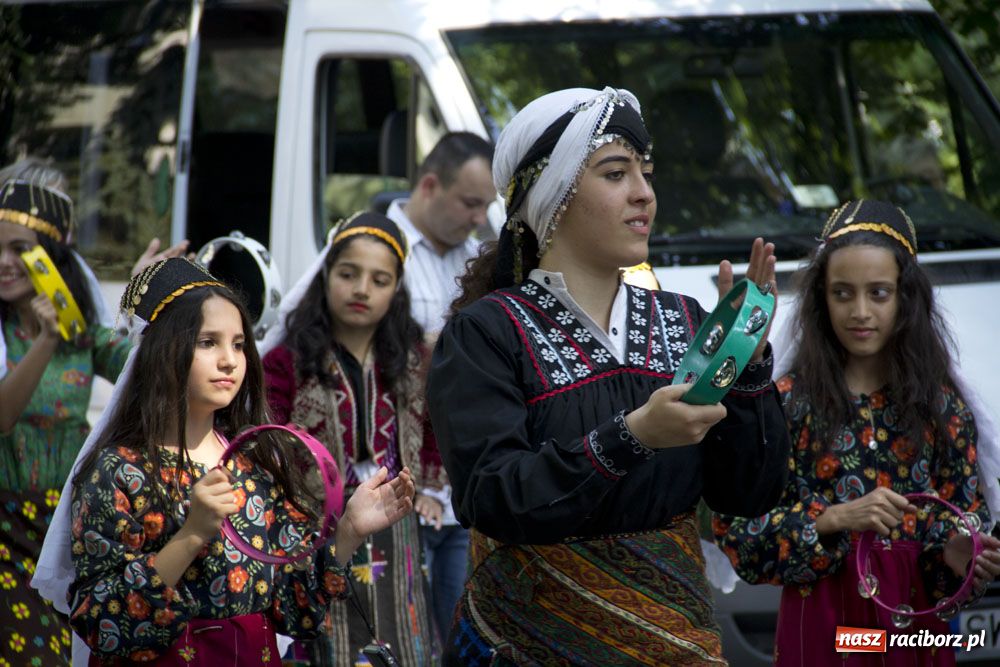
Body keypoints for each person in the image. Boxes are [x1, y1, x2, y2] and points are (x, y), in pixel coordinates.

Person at [425, 86, 792, 665]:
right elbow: (491, 493)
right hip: (531, 647)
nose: (644, 193)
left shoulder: (686, 321)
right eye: (616, 173)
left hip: (677, 643)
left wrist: (744, 367)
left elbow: (749, 492)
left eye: (646, 173)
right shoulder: (486, 334)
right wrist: (632, 436)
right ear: (556, 194)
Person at [31, 257, 416, 665]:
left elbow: (292, 605)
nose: (229, 360)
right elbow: (104, 623)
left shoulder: (255, 463)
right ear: (164, 351)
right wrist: (192, 534)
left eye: (238, 344)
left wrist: (349, 533)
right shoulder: (119, 471)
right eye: (207, 342)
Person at [713, 200, 1000, 666]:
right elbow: (742, 534)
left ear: (906, 297)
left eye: (879, 293)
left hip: (913, 642)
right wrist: (835, 519)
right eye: (842, 293)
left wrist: (959, 555)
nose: (860, 311)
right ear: (821, 299)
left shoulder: (941, 409)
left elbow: (956, 532)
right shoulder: (788, 405)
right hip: (824, 632)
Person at [0, 158, 186, 666]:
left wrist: (146, 306)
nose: (5, 262)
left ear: (53, 256)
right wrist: (43, 341)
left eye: (20, 249)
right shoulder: (25, 334)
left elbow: (142, 372)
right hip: (6, 529)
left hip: (65, 527)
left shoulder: (78, 329)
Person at [260, 212, 441, 666]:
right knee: (327, 638)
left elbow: (435, 427)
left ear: (395, 289)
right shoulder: (288, 359)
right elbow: (265, 441)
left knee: (402, 635)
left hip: (396, 527)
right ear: (325, 276)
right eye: (348, 274)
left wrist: (431, 489)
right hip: (314, 528)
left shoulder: (413, 360)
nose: (362, 289)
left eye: (380, 280)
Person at [386, 132, 495, 642]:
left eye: (486, 206)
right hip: (400, 490)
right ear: (430, 185)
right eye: (471, 203)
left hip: (461, 492)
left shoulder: (475, 256)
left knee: (460, 639)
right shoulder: (375, 249)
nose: (479, 218)